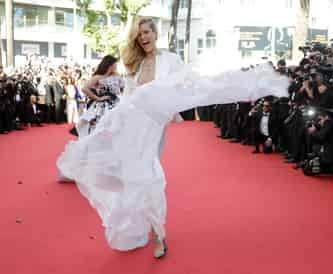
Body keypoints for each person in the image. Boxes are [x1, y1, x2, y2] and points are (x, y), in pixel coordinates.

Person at [57, 18, 288, 259]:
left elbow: (187, 84)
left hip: (153, 125)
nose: (143, 37)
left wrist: (174, 106)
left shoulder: (171, 60)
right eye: (139, 34)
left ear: (156, 33)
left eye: (146, 32)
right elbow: (128, 96)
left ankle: (159, 235)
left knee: (150, 174)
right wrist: (114, 119)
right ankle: (140, 224)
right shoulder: (135, 64)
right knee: (132, 176)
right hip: (131, 124)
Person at [76, 55, 123, 137]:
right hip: (102, 107)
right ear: (110, 65)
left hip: (116, 104)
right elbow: (84, 88)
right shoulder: (98, 77)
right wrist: (98, 98)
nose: (116, 66)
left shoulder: (117, 76)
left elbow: (123, 89)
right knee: (100, 128)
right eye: (115, 64)